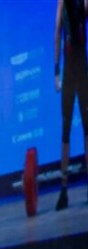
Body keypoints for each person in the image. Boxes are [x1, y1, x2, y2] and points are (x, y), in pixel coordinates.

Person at [55, 0, 88, 210]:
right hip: (70, 74)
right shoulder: (62, 2)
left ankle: (67, 189)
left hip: (81, 72)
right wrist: (56, 71)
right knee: (66, 131)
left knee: (87, 129)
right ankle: (64, 190)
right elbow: (57, 32)